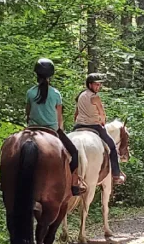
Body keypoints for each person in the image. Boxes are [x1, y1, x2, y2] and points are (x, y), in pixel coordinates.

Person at [26, 58, 83, 196]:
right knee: (74, 153)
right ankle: (72, 184)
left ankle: (3, 180)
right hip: (52, 129)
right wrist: (60, 129)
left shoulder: (30, 92)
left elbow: (27, 113)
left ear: (36, 74)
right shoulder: (56, 94)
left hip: (32, 129)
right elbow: (59, 117)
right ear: (50, 75)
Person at [73, 73, 126, 185]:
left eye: (99, 85)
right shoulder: (95, 97)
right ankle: (116, 175)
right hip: (94, 126)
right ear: (90, 84)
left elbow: (76, 113)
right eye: (96, 85)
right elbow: (102, 113)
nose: (98, 87)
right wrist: (102, 121)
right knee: (112, 146)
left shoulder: (80, 95)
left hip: (78, 126)